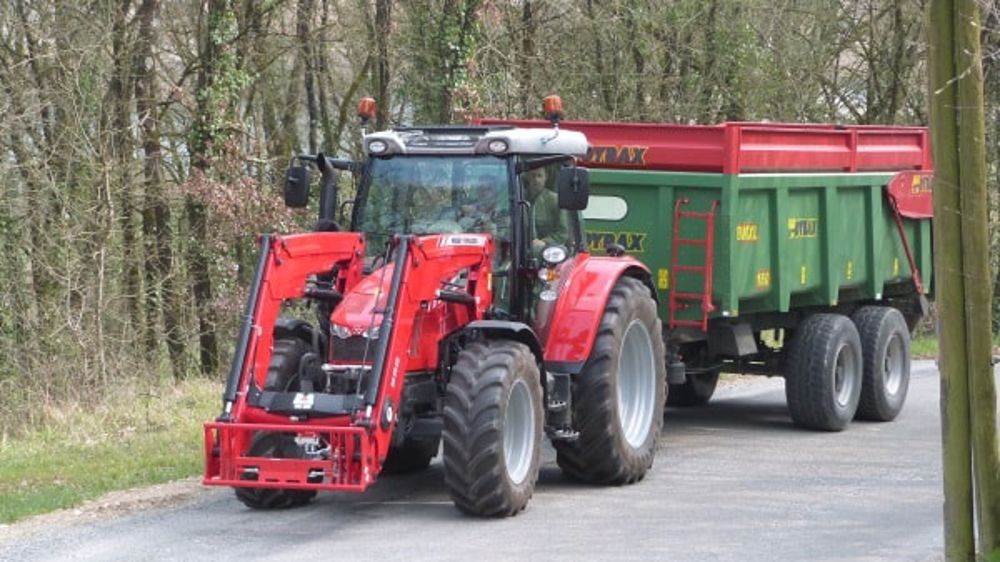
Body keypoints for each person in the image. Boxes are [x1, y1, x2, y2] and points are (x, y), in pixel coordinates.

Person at [523, 167, 568, 254]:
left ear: (546, 177)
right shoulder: (519, 199)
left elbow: (563, 233)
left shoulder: (555, 201)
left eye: (540, 176)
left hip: (549, 252)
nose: (536, 180)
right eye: (533, 176)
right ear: (527, 177)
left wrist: (544, 242)